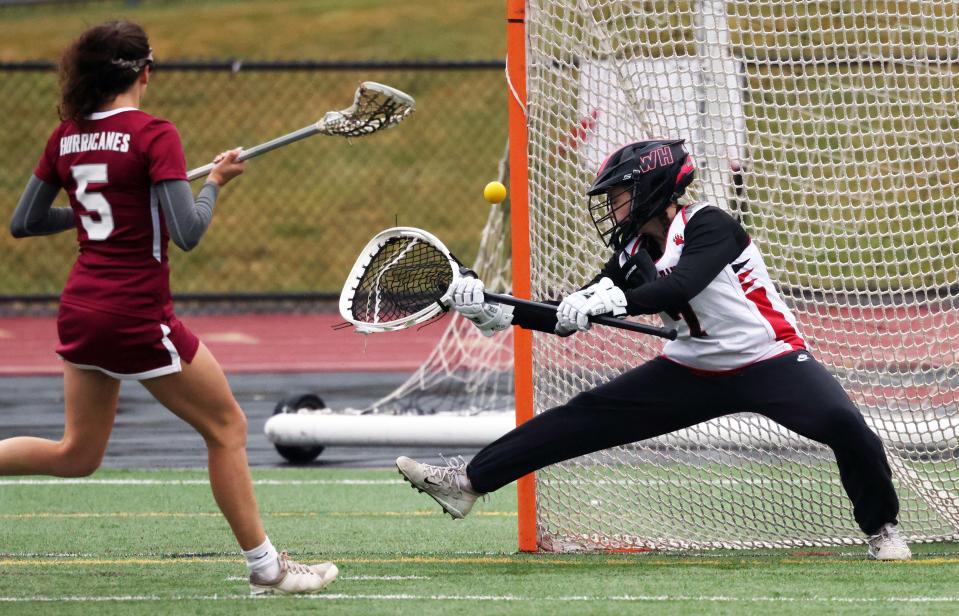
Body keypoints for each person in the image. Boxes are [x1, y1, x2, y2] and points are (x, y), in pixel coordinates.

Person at [396, 139, 911, 560]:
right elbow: (567, 315)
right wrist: (490, 307)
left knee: (844, 424)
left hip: (768, 358)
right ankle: (467, 482)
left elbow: (680, 286)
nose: (611, 205)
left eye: (619, 193)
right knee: (580, 417)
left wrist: (613, 297)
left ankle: (881, 528)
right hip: (691, 368)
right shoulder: (632, 251)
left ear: (651, 187)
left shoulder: (711, 224)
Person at [4, 21, 337, 594]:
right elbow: (187, 232)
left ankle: (267, 565)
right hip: (135, 313)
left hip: (81, 307)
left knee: (77, 453)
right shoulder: (154, 134)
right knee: (228, 426)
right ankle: (267, 567)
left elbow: (25, 223)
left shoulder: (67, 135)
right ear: (144, 73)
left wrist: (97, 211)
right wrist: (216, 184)